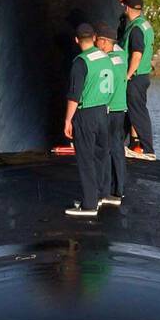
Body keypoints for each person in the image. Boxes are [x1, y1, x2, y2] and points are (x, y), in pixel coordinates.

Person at [63, 22, 113, 217]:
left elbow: (74, 95)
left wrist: (68, 120)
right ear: (94, 38)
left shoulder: (80, 62)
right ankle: (100, 195)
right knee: (101, 155)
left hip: (86, 113)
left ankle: (89, 205)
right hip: (103, 111)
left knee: (85, 159)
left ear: (76, 40)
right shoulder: (105, 57)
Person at [93, 24, 128, 206]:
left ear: (105, 42)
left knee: (104, 149)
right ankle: (118, 189)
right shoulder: (121, 56)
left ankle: (103, 191)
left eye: (98, 40)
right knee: (117, 149)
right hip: (120, 108)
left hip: (109, 108)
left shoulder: (106, 61)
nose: (96, 44)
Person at [121, 0, 155, 159]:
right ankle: (132, 145)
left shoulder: (135, 29)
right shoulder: (145, 24)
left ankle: (148, 150)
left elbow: (136, 54)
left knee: (138, 112)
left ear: (127, 8)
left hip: (136, 76)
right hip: (143, 75)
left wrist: (127, 75)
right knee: (136, 111)